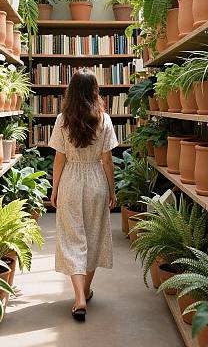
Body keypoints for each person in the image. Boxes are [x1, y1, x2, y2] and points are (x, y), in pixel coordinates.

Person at [48, 68, 119, 322]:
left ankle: (79, 297)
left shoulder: (61, 120)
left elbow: (59, 159)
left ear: (72, 92)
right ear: (94, 91)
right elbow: (108, 160)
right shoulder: (104, 119)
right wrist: (112, 190)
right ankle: (86, 290)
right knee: (93, 235)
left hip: (70, 180)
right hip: (96, 181)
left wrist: (54, 189)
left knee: (72, 238)